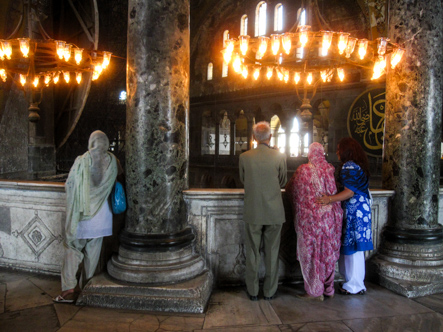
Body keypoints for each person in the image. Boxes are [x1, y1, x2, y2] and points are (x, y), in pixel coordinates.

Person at [54, 130, 119, 303]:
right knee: (93, 255)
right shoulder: (113, 161)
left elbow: (70, 185)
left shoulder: (82, 161)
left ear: (91, 143)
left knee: (72, 249)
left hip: (82, 217)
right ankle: (86, 291)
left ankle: (68, 289)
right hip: (102, 218)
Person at [286, 142, 343, 301]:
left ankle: (313, 292)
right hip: (329, 221)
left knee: (312, 255)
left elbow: (291, 189)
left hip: (310, 222)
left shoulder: (303, 170)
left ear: (310, 153)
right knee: (327, 253)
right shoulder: (329, 170)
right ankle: (328, 289)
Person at [316, 137, 373, 295]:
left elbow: (349, 191)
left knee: (353, 247)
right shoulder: (358, 165)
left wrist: (329, 199)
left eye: (339, 149)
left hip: (355, 211)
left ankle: (354, 285)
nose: (337, 152)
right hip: (362, 209)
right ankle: (355, 282)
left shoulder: (348, 166)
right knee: (355, 248)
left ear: (346, 151)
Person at [239, 121, 287, 301]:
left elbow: (244, 180)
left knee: (252, 252)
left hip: (253, 211)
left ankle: (252, 291)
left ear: (253, 138)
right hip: (275, 212)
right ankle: (269, 291)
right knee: (272, 252)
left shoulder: (245, 157)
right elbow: (282, 181)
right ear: (270, 137)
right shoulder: (279, 156)